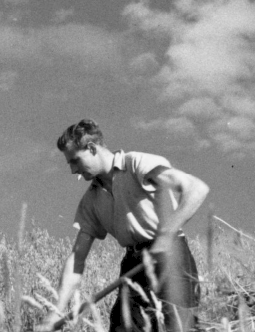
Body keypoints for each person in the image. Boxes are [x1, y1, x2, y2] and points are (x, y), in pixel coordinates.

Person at [38, 119, 209, 332]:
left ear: (91, 148)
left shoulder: (136, 164)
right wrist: (55, 312)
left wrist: (166, 235)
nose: (73, 170)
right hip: (133, 265)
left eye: (75, 160)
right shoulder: (91, 200)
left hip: (170, 257)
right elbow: (77, 259)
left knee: (177, 326)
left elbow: (196, 189)